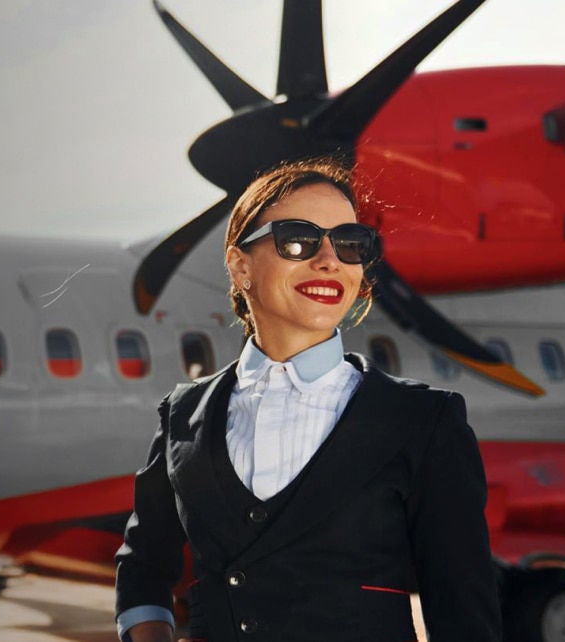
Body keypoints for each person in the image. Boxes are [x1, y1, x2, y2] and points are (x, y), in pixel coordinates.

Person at [114, 159, 501, 642]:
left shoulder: (424, 421)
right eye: (297, 239)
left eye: (349, 243)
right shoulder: (183, 415)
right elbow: (143, 562)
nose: (329, 260)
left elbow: (464, 608)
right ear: (240, 265)